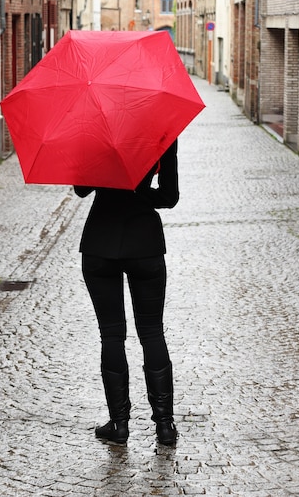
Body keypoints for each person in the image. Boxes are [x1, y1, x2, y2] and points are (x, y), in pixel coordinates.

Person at [74, 139, 179, 446]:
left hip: (100, 244)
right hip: (144, 244)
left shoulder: (94, 133)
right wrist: (141, 193)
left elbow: (81, 189)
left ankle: (119, 425)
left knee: (111, 334)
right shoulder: (161, 133)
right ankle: (165, 426)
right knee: (151, 332)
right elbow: (169, 197)